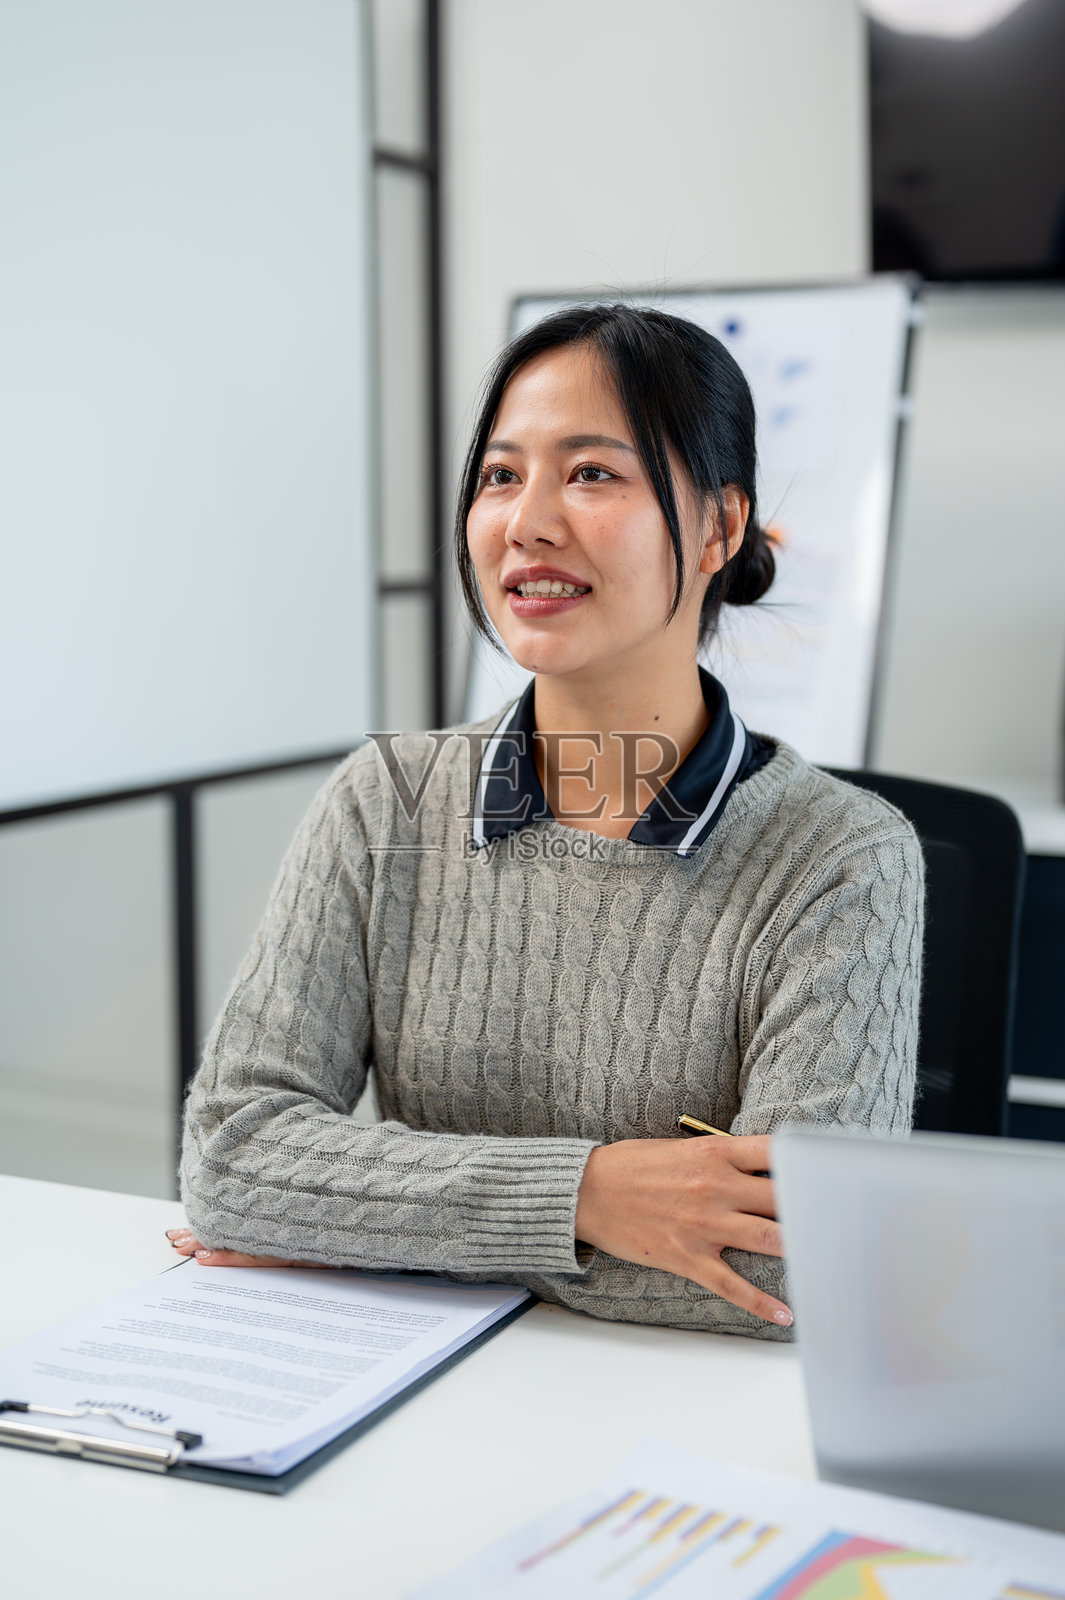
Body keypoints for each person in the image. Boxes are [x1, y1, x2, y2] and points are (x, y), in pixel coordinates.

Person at [172, 304, 924, 1340]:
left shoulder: (842, 857)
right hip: (415, 1405)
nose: (527, 521)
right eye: (499, 475)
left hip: (686, 1430)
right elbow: (231, 1156)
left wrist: (366, 1225)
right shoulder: (384, 800)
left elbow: (796, 1266)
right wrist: (589, 1195)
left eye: (592, 473)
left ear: (718, 527)